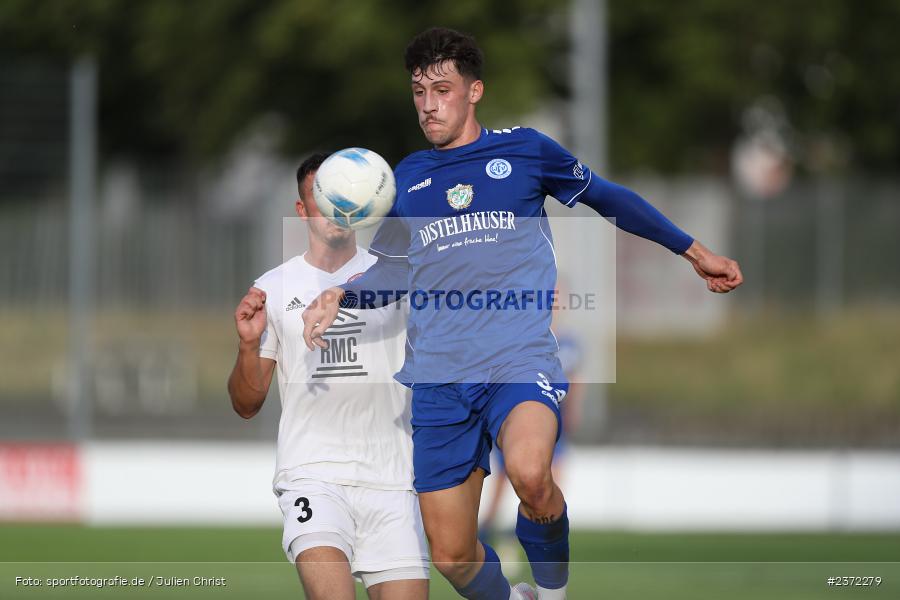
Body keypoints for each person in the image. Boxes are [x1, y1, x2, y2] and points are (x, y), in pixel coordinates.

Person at [301, 27, 743, 600]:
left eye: (442, 89)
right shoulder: (406, 179)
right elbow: (393, 271)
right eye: (418, 92)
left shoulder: (526, 151)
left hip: (518, 359)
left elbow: (609, 198)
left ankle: (553, 593)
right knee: (453, 555)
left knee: (533, 475)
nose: (429, 105)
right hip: (438, 379)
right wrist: (343, 292)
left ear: (474, 91)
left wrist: (694, 250)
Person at [227, 153, 429, 600]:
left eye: (347, 196)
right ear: (302, 210)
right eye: (324, 198)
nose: (338, 208)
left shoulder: (393, 278)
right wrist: (247, 345)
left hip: (394, 478)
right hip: (313, 475)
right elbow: (246, 404)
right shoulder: (273, 287)